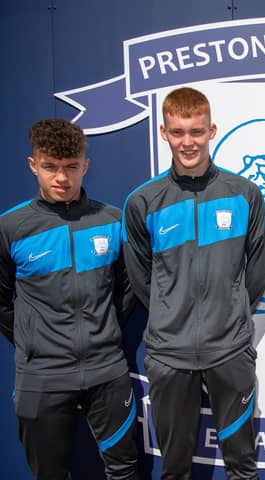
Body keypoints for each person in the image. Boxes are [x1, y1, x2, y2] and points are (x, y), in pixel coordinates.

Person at [122, 87, 265, 480]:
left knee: (242, 466)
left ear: (212, 130)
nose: (187, 142)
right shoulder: (144, 202)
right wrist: (173, 314)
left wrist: (231, 309)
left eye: (196, 131)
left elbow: (256, 273)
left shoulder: (244, 195)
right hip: (170, 355)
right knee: (174, 469)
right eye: (178, 132)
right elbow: (141, 279)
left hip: (230, 350)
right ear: (163, 132)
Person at [0, 119, 139, 479]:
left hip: (107, 370)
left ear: (85, 166)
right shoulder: (11, 228)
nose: (61, 178)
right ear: (33, 165)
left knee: (124, 471)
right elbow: (1, 302)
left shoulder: (110, 220)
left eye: (70, 167)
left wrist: (102, 331)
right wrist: (35, 341)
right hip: (41, 376)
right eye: (50, 167)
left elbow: (126, 291)